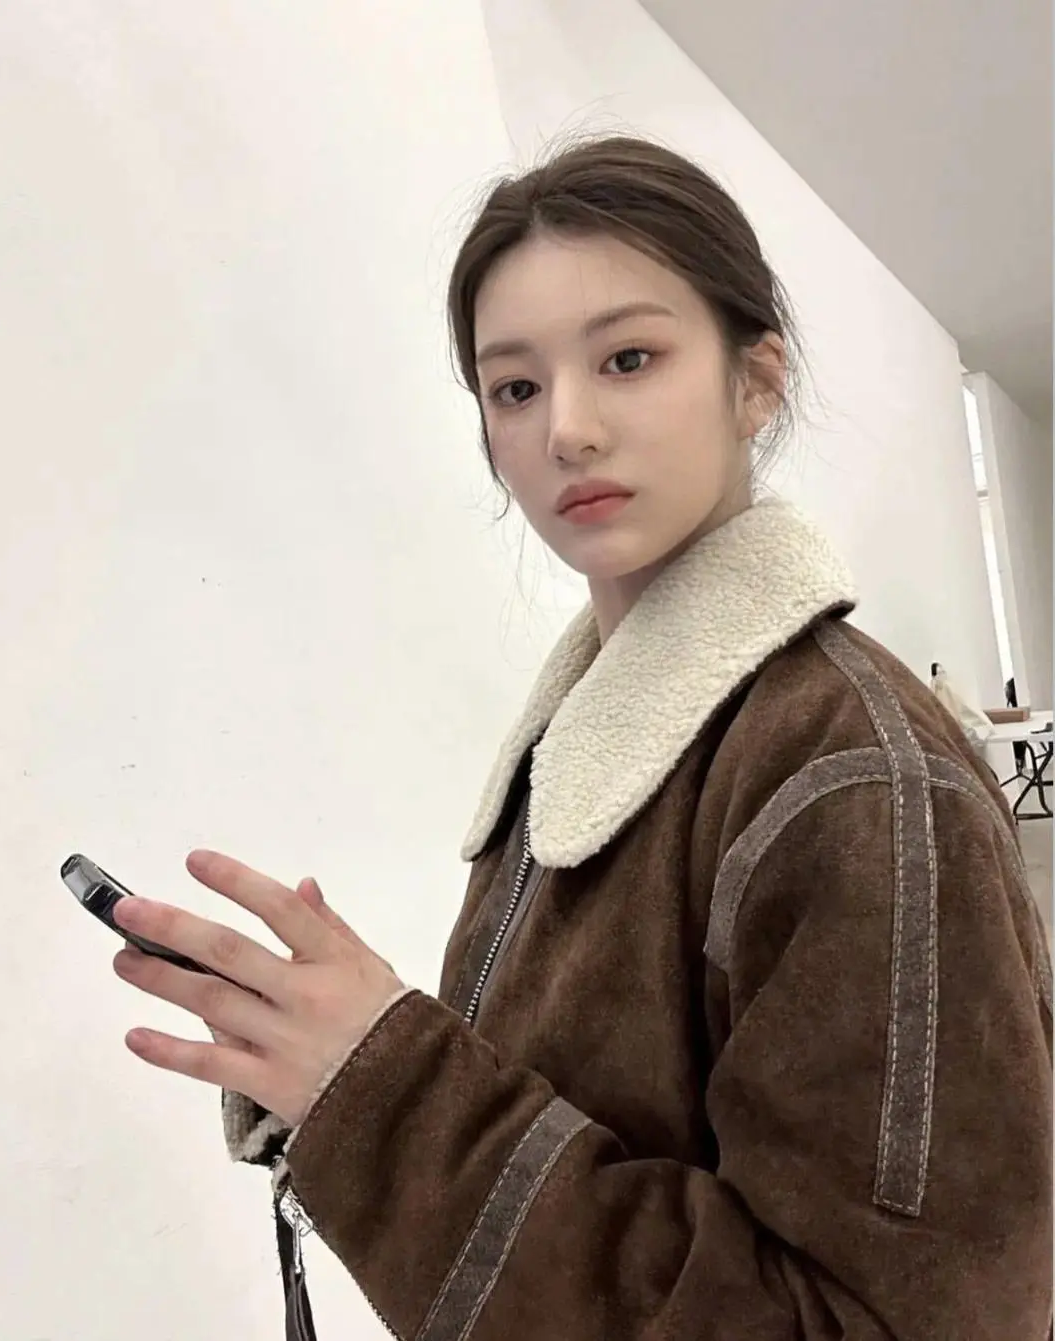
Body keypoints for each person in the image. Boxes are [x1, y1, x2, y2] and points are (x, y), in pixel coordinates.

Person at [110, 135, 1053, 1339]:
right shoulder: (591, 748)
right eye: (514, 387)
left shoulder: (853, 778)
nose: (567, 428)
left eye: (628, 358)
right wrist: (335, 1066)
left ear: (756, 381)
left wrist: (390, 1093)